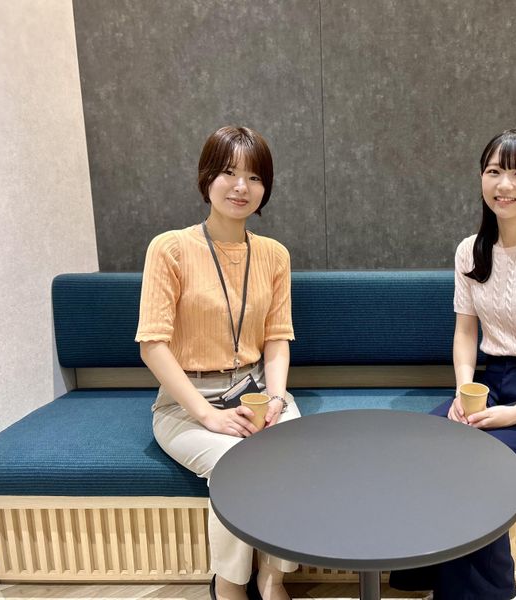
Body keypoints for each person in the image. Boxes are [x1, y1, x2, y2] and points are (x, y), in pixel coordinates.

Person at [393, 128, 516, 600]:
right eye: (494, 171)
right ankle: (432, 577)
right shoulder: (471, 250)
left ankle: (498, 595)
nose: (505, 184)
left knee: (479, 466)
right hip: (491, 384)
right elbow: (465, 332)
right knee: (420, 447)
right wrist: (464, 394)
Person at [136, 126, 299, 600]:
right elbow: (152, 344)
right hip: (187, 404)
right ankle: (228, 586)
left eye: (254, 177)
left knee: (293, 454)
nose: (241, 186)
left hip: (256, 393)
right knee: (236, 464)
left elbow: (277, 338)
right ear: (207, 177)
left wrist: (276, 397)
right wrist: (207, 415)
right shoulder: (170, 248)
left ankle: (272, 579)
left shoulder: (274, 255)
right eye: (229, 172)